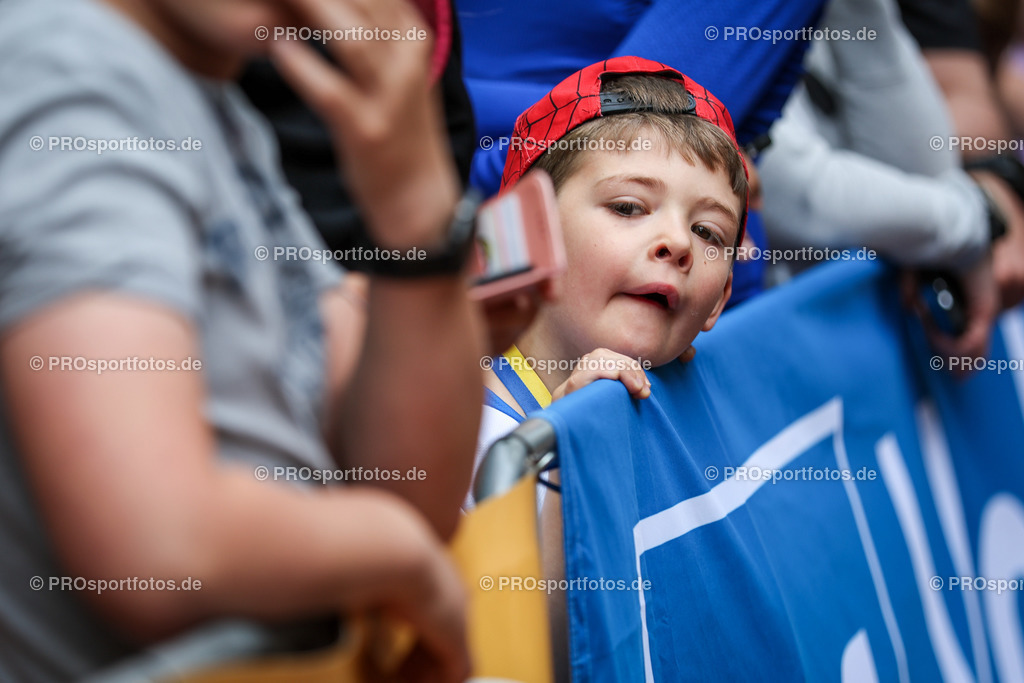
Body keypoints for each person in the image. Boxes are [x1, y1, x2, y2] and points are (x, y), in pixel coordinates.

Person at [0, 0, 481, 680]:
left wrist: (417, 211)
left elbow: (408, 484)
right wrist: (396, 553)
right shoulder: (70, 74)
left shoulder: (216, 103)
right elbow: (157, 548)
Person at [467, 57, 748, 509]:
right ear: (525, 236)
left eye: (707, 232)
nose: (678, 243)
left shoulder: (713, 420)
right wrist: (568, 459)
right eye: (628, 207)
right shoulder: (467, 442)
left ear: (719, 300)